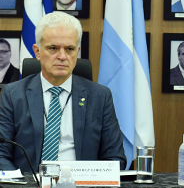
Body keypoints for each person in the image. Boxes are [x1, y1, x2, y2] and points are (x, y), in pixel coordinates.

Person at [0, 12, 126, 172]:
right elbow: (1, 155)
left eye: (69, 49)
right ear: (37, 52)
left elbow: (115, 157)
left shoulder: (100, 96)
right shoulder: (13, 94)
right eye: (53, 48)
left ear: (77, 51)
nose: (62, 56)